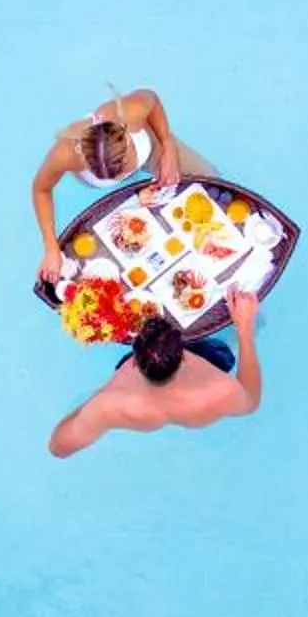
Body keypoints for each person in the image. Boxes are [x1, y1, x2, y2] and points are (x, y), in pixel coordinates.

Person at [30, 88, 218, 293]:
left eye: (121, 172)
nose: (117, 180)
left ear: (128, 138)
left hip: (152, 148)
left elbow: (153, 99)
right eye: (104, 176)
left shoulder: (132, 111)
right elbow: (41, 189)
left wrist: (167, 146)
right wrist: (50, 248)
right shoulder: (65, 154)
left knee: (209, 180)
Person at [48, 288, 263, 456]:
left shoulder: (111, 405)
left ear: (134, 362)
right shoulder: (218, 391)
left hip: (138, 411)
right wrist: (245, 329)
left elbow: (58, 446)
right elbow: (251, 401)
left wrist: (100, 396)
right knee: (223, 351)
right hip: (197, 405)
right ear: (184, 356)